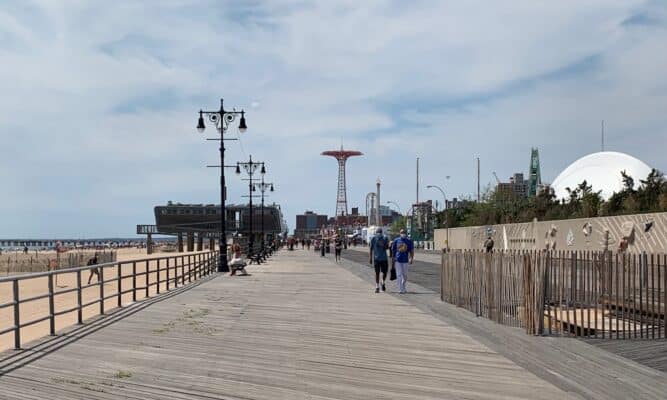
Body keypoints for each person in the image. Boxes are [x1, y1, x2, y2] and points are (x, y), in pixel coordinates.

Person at [391, 229, 414, 294]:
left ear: (406, 233)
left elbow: (411, 251)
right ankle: (400, 289)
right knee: (399, 275)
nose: (403, 233)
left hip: (405, 260)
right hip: (398, 260)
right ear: (399, 233)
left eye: (404, 232)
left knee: (405, 275)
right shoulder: (396, 240)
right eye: (401, 232)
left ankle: (403, 286)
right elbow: (393, 251)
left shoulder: (409, 241)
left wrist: (411, 258)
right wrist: (393, 259)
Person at [369, 228, 389, 293]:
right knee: (377, 272)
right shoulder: (373, 238)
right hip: (376, 258)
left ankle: (383, 282)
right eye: (378, 232)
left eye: (380, 232)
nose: (379, 234)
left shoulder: (385, 238)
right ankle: (377, 286)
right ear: (376, 233)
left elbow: (387, 247)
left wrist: (383, 244)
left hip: (384, 258)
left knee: (385, 272)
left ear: (382, 233)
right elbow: (371, 248)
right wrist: (370, 257)